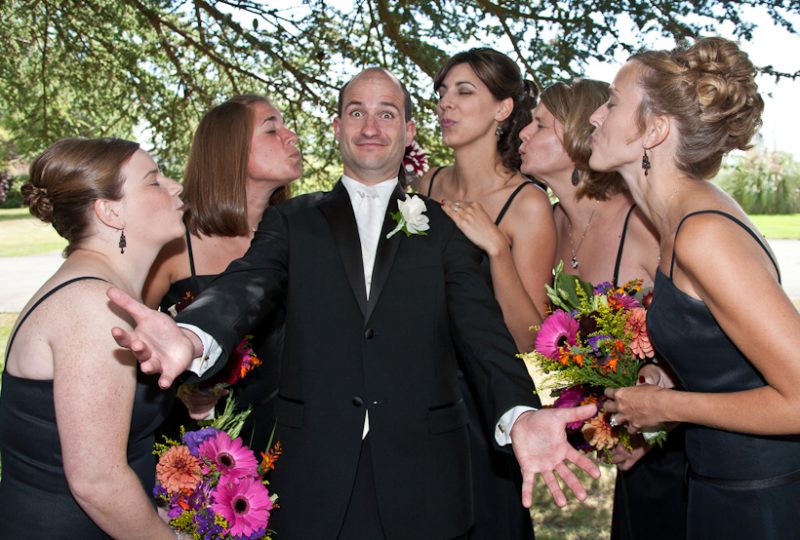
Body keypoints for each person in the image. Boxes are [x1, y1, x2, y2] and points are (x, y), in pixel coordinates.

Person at [107, 67, 600, 540]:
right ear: (337, 126)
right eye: (356, 112)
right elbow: (246, 286)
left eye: (387, 114)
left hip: (423, 479)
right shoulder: (292, 222)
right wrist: (193, 335)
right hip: (312, 477)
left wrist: (520, 413)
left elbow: (483, 335)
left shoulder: (447, 227)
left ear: (408, 132)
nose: (370, 126)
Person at [591, 37, 800, 537]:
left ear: (655, 130)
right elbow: (734, 364)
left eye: (613, 102)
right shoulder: (680, 219)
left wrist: (668, 406)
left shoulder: (703, 231)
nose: (596, 117)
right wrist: (673, 379)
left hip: (760, 501)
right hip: (717, 485)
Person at [519, 78, 687, 539]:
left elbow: (710, 341)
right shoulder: (549, 223)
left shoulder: (643, 222)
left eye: (538, 124)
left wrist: (659, 426)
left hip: (685, 449)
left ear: (575, 134)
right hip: (630, 454)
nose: (522, 135)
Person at [0, 138, 184, 538]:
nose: (176, 187)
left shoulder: (105, 294)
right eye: (153, 181)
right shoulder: (93, 306)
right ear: (110, 211)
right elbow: (97, 481)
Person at [413, 47, 554, 540]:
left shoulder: (528, 203)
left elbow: (533, 337)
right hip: (413, 396)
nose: (445, 104)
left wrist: (496, 251)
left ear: (502, 108)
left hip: (485, 404)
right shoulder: (421, 187)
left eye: (464, 91)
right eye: (442, 92)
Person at [143, 94, 299, 451]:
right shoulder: (174, 241)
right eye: (272, 129)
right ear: (230, 150)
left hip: (284, 438)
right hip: (196, 447)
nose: (291, 136)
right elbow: (135, 342)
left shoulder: (302, 234)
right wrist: (184, 387)